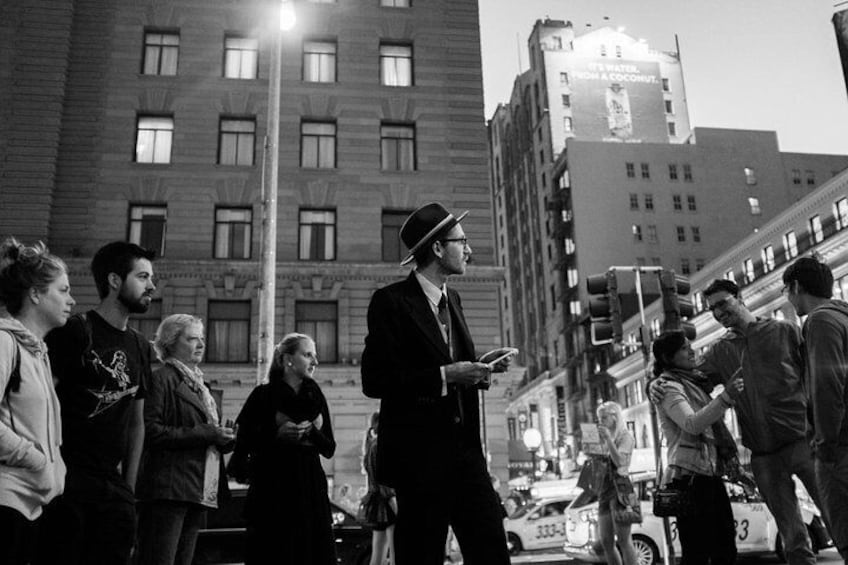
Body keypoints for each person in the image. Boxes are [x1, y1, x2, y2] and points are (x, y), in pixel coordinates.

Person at [361, 202, 513, 565]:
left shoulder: (454, 300)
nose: (469, 250)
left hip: (467, 459)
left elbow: (455, 367)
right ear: (437, 248)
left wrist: (482, 371)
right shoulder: (391, 302)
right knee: (421, 555)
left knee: (492, 551)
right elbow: (375, 380)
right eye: (461, 241)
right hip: (419, 463)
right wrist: (446, 376)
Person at [652, 278, 823, 565]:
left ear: (739, 297)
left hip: (803, 442)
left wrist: (822, 429)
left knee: (836, 516)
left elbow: (815, 377)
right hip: (764, 455)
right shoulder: (719, 351)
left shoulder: (784, 331)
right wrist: (655, 382)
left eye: (722, 304)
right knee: (792, 537)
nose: (718, 313)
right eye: (712, 310)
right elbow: (684, 377)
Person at [37, 241, 156, 565]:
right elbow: (44, 404)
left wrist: (128, 491)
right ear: (115, 280)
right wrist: (50, 471)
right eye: (142, 277)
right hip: (66, 483)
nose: (151, 286)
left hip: (114, 491)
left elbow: (137, 423)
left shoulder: (141, 346)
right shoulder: (74, 331)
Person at [135, 314, 235, 565]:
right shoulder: (161, 378)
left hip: (197, 488)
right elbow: (151, 431)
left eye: (201, 338)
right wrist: (207, 433)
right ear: (170, 342)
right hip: (169, 489)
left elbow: (204, 432)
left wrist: (225, 438)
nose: (201, 344)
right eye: (192, 338)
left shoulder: (202, 386)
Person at [229, 333, 336, 564]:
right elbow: (242, 442)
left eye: (314, 356)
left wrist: (311, 432)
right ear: (288, 359)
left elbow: (329, 448)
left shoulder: (316, 396)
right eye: (308, 355)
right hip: (273, 493)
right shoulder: (263, 395)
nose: (315, 362)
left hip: (310, 494)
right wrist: (275, 435)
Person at [0, 238, 74, 564]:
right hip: (6, 501)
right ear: (35, 294)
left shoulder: (38, 353)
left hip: (32, 506)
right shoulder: (5, 343)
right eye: (62, 290)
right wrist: (36, 460)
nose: (71, 300)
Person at [651, 330, 744, 565]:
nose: (692, 351)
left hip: (709, 473)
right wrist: (725, 398)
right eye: (684, 348)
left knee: (725, 547)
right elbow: (691, 424)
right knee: (698, 551)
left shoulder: (694, 380)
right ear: (667, 356)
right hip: (690, 477)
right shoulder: (668, 387)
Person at [783, 256, 848, 560]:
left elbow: (826, 385)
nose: (788, 298)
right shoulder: (843, 316)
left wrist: (825, 445)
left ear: (796, 286)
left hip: (839, 447)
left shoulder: (820, 320)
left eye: (787, 291)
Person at [594, 401, 638, 565]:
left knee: (624, 540)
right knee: (606, 541)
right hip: (604, 491)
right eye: (599, 418)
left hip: (620, 490)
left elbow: (620, 461)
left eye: (604, 417)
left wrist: (608, 440)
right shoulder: (605, 439)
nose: (601, 421)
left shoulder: (625, 436)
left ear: (615, 417)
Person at [362, 411, 396, 565]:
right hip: (387, 503)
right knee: (394, 550)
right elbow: (383, 481)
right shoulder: (379, 447)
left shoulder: (372, 447)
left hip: (379, 504)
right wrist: (393, 501)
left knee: (379, 552)